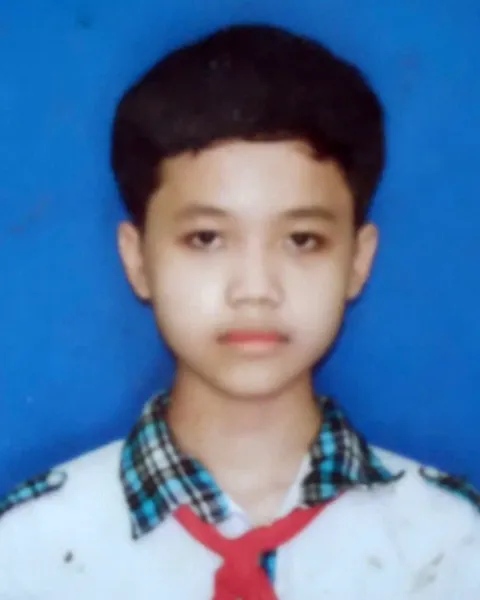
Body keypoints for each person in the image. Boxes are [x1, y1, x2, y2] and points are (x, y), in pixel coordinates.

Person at [0, 23, 479, 600]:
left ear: (358, 260)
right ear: (137, 259)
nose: (255, 290)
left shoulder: (453, 546)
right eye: (206, 238)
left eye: (302, 240)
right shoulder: (29, 552)